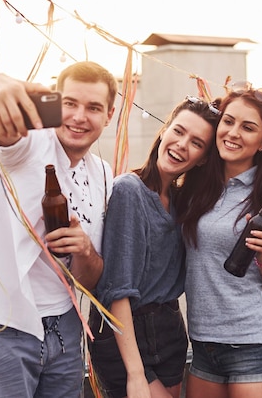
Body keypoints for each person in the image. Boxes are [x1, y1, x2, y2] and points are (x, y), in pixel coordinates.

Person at [0, 61, 117, 398]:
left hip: (66, 327)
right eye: (70, 103)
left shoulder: (103, 175)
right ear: (56, 103)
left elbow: (88, 281)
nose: (78, 116)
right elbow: (1, 117)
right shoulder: (28, 145)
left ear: (110, 115)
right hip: (1, 325)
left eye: (93, 107)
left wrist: (85, 250)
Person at [87, 96, 221, 398]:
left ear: (202, 158)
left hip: (170, 329)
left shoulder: (181, 202)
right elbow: (117, 289)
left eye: (197, 143)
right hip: (127, 332)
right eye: (178, 131)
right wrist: (135, 374)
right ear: (164, 131)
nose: (182, 144)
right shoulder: (129, 190)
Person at [177, 85, 262, 398]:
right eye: (228, 122)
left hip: (254, 344)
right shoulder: (195, 189)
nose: (233, 133)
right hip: (203, 345)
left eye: (248, 127)